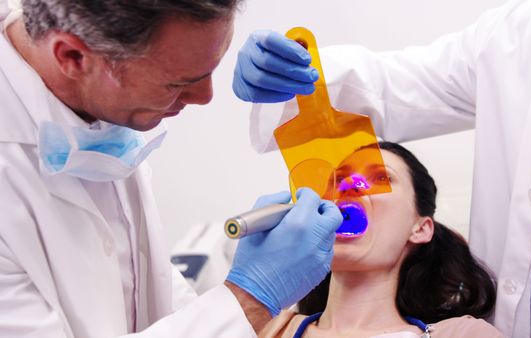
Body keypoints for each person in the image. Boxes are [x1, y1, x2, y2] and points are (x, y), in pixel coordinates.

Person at [232, 0, 531, 337]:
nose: (348, 191)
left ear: (422, 226)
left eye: (377, 177)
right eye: (337, 179)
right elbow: (392, 86)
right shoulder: (523, 34)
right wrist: (295, 77)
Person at [0, 1, 343, 337]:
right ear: (73, 57)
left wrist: (237, 303)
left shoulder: (97, 109)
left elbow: (142, 293)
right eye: (177, 83)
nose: (205, 96)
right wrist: (250, 298)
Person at [259, 141, 502, 338]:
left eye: (382, 178)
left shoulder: (463, 335)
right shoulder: (262, 326)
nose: (350, 185)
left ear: (420, 229)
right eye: (339, 179)